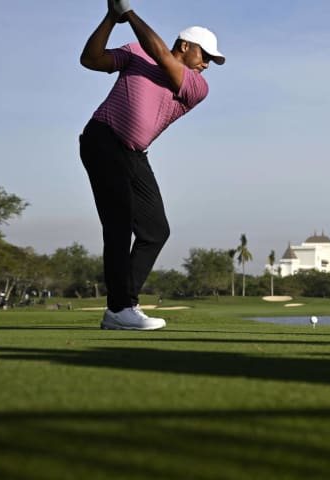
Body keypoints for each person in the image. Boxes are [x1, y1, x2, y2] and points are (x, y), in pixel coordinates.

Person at [79, 0, 225, 330]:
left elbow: (161, 56)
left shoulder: (196, 86)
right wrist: (111, 17)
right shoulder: (135, 53)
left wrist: (127, 12)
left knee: (155, 230)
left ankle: (120, 305)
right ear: (185, 46)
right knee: (117, 223)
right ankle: (120, 308)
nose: (207, 65)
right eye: (205, 56)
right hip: (103, 140)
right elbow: (90, 59)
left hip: (134, 154)